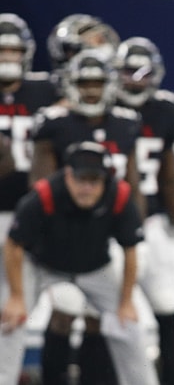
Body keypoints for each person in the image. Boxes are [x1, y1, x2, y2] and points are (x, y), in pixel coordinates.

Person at [30, 47, 146, 384]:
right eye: (85, 83)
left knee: (103, 317)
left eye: (98, 83)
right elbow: (40, 187)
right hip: (60, 234)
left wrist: (133, 226)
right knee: (65, 309)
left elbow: (133, 185)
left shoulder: (126, 123)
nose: (92, 90)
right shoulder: (55, 123)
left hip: (107, 231)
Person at [0, 141, 158, 385]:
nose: (87, 188)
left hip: (96, 268)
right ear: (68, 176)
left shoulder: (119, 196)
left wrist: (126, 302)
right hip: (41, 265)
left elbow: (130, 250)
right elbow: (12, 244)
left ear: (105, 180)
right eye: (81, 179)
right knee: (11, 320)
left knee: (129, 325)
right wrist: (16, 297)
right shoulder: (45, 194)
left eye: (94, 181)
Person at [114, 36, 174, 385]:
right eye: (128, 72)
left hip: (152, 222)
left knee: (165, 305)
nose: (134, 81)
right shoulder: (103, 106)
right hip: (109, 224)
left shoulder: (164, 110)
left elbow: (170, 176)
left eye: (141, 73)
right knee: (104, 313)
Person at [0, 13, 61, 288]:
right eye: (2, 50)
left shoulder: (47, 89)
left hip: (34, 208)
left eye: (14, 50)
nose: (7, 57)